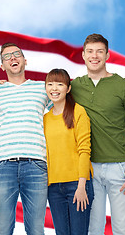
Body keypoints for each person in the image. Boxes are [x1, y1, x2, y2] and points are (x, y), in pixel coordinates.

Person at [71, 34, 125, 235]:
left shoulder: (123, 85)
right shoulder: (75, 86)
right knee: (92, 229)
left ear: (107, 55)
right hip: (89, 170)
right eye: (90, 51)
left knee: (121, 230)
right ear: (83, 55)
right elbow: (51, 93)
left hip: (120, 170)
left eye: (99, 51)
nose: (94, 56)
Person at [0, 43, 51, 235]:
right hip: (3, 165)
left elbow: (63, 102)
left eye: (17, 54)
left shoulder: (43, 88)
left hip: (36, 164)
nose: (12, 58)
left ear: (25, 60)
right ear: (2, 66)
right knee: (3, 229)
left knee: (36, 229)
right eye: (7, 57)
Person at [43, 68, 93, 235]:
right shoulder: (45, 119)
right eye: (50, 84)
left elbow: (85, 150)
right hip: (54, 188)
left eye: (59, 84)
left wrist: (81, 185)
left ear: (68, 88)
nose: (54, 88)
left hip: (77, 184)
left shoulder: (78, 111)